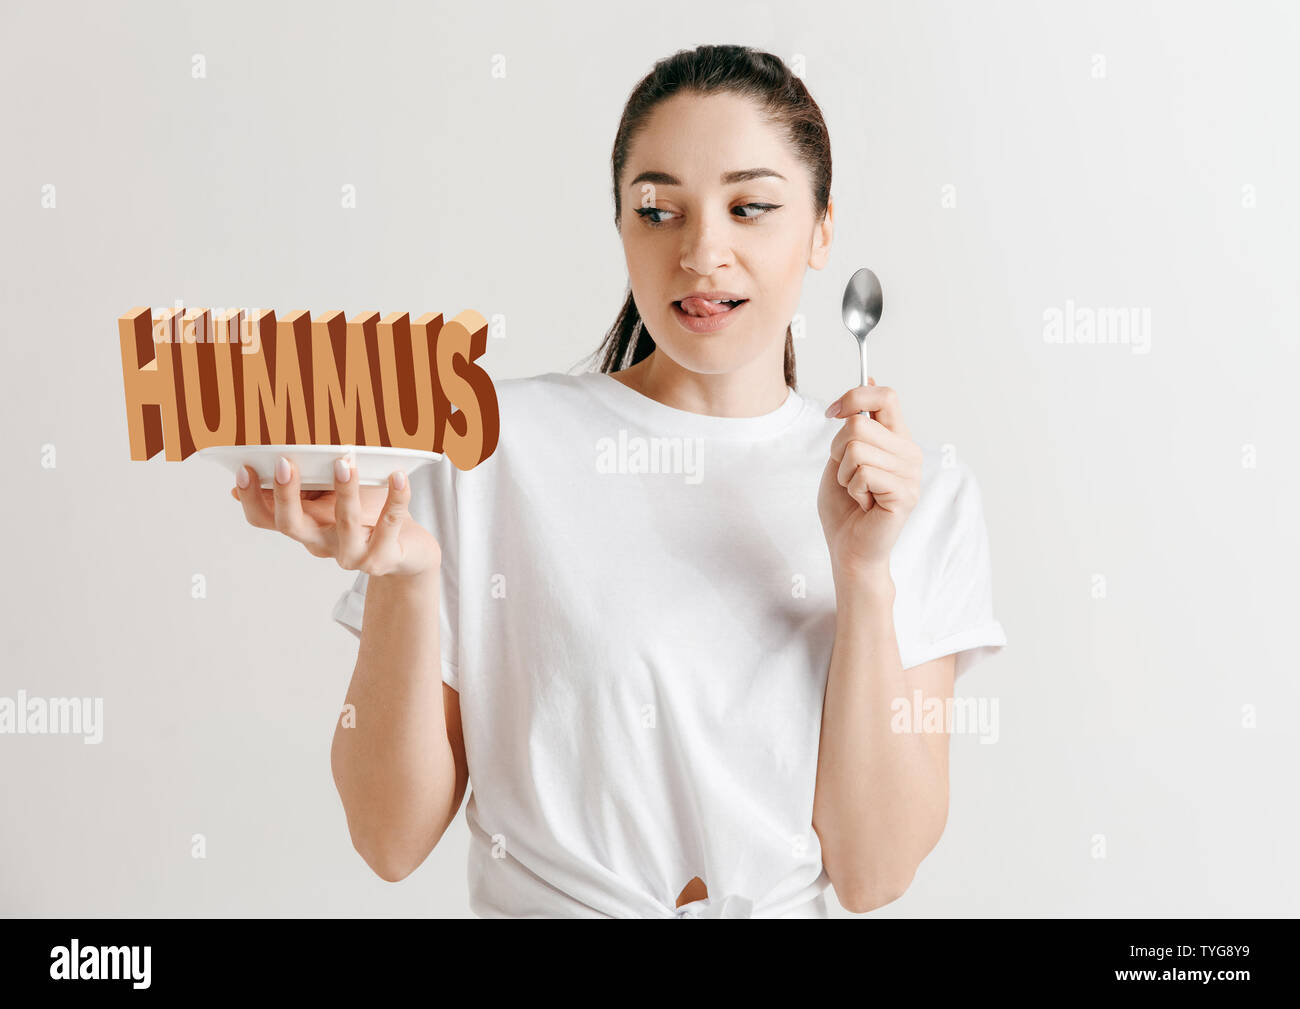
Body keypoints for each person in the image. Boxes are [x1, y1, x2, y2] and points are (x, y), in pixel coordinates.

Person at [231, 44, 1006, 918]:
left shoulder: (916, 494)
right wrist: (404, 579)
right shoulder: (484, 443)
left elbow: (875, 870)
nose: (703, 251)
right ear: (622, 229)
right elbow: (388, 836)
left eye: (750, 207)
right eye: (657, 211)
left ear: (823, 228)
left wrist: (864, 574)